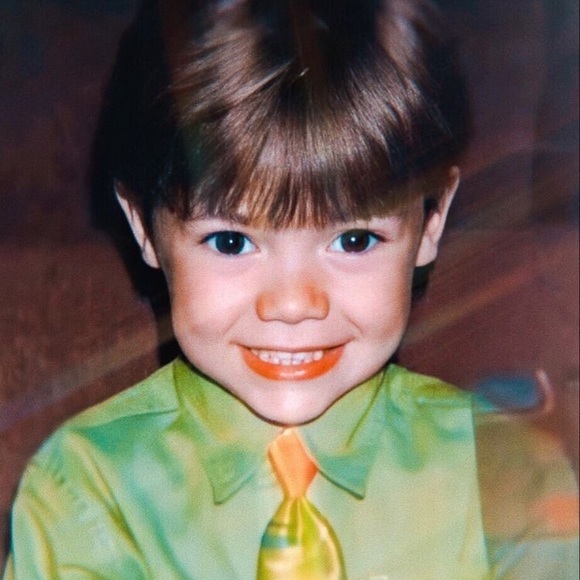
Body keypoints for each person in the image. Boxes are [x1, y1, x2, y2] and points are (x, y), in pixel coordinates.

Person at [4, 0, 578, 578]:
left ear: (431, 221)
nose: (294, 304)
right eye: (231, 242)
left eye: (354, 240)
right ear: (143, 228)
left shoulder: (511, 475)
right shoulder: (87, 491)